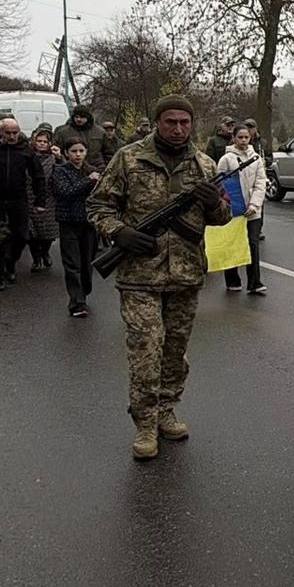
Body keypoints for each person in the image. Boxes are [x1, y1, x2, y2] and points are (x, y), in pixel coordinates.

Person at [87, 96, 231, 460]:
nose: (179, 129)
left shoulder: (205, 164)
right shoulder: (129, 158)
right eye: (171, 122)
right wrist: (119, 233)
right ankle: (145, 424)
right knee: (146, 352)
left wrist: (213, 203)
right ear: (157, 123)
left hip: (185, 275)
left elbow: (223, 218)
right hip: (140, 275)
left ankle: (167, 409)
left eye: (185, 122)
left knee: (174, 352)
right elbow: (98, 205)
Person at [0, 117, 48, 291]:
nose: (12, 137)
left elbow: (38, 176)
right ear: (0, 133)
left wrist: (40, 201)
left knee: (21, 236)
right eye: (8, 133)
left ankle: (10, 261)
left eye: (15, 133)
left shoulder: (25, 151)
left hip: (18, 198)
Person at [50, 140, 101, 317]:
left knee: (88, 262)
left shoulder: (92, 170)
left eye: (81, 151)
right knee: (72, 263)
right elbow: (65, 192)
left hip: (89, 222)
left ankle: (83, 291)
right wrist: (88, 181)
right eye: (73, 151)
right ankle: (77, 302)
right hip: (69, 221)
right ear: (66, 153)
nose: (78, 155)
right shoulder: (60, 171)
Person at [217, 123, 269, 296]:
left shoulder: (256, 158)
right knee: (233, 244)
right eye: (240, 137)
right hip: (234, 210)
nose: (244, 140)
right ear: (234, 138)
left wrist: (254, 205)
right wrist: (228, 203)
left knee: (253, 244)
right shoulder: (226, 159)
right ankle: (232, 280)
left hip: (253, 210)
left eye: (246, 137)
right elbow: (220, 182)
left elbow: (260, 183)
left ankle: (255, 283)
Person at [23, 127, 60, 272]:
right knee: (32, 232)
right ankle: (36, 258)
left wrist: (59, 158)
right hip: (30, 195)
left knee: (48, 232)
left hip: (49, 198)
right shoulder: (27, 157)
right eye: (39, 141)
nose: (42, 144)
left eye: (45, 141)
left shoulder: (53, 158)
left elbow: (62, 172)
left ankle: (45, 252)